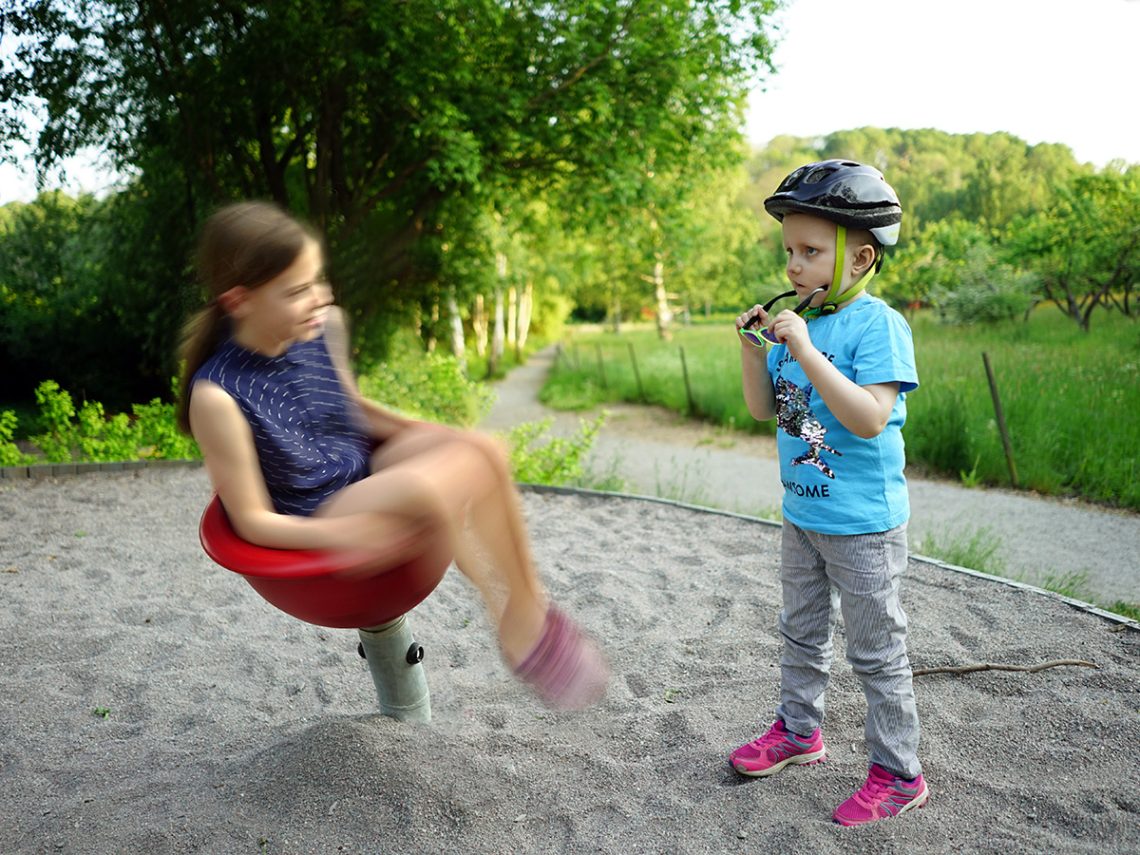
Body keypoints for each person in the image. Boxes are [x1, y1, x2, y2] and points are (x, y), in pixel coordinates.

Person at [177, 201, 607, 710]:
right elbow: (249, 520)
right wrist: (340, 535)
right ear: (239, 300)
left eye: (318, 280)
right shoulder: (218, 395)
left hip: (366, 474)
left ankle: (526, 610)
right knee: (433, 484)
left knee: (482, 450)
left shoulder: (321, 328)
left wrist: (441, 436)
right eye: (297, 291)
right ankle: (515, 622)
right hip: (322, 512)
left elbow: (350, 410)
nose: (320, 298)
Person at [730, 160, 927, 826]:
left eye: (811, 251)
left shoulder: (878, 328)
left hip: (863, 524)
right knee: (801, 633)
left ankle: (899, 773)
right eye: (789, 250)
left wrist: (809, 351)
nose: (793, 265)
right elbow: (765, 410)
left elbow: (870, 415)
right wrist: (756, 351)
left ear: (861, 255)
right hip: (803, 513)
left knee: (875, 650)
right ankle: (799, 730)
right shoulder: (796, 326)